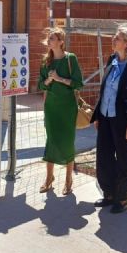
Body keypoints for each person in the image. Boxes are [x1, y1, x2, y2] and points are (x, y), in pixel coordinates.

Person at [91, 23, 127, 214]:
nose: (113, 39)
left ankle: (122, 198)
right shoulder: (112, 59)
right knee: (104, 155)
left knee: (124, 157)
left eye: (118, 37)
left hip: (123, 119)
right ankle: (109, 193)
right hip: (106, 116)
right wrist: (98, 114)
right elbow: (104, 89)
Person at [38, 27, 84, 195]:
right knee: (51, 140)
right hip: (51, 107)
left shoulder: (70, 58)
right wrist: (49, 80)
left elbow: (78, 83)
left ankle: (68, 181)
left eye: (53, 38)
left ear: (61, 42)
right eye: (49, 38)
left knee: (67, 141)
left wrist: (59, 79)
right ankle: (49, 178)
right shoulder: (46, 61)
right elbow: (40, 85)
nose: (49, 41)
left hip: (67, 107)